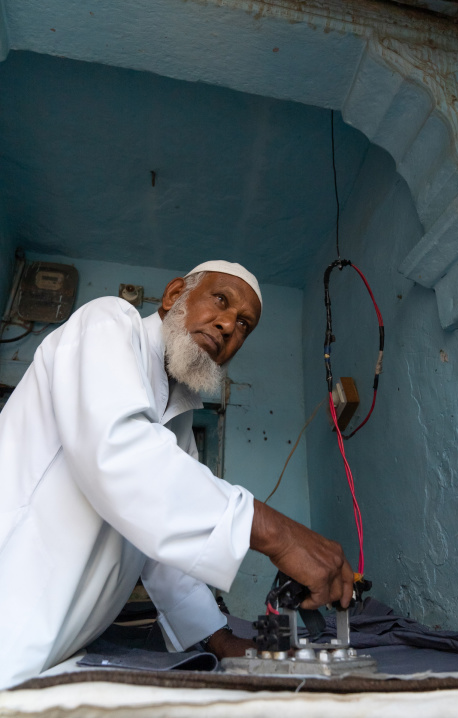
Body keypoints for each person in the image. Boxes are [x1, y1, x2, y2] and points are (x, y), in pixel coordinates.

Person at [0, 260, 353, 689]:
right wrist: (280, 535)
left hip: (55, 648)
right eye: (220, 301)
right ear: (174, 297)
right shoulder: (109, 323)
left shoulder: (179, 420)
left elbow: (163, 556)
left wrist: (219, 640)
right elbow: (120, 456)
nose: (227, 325)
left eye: (244, 324)